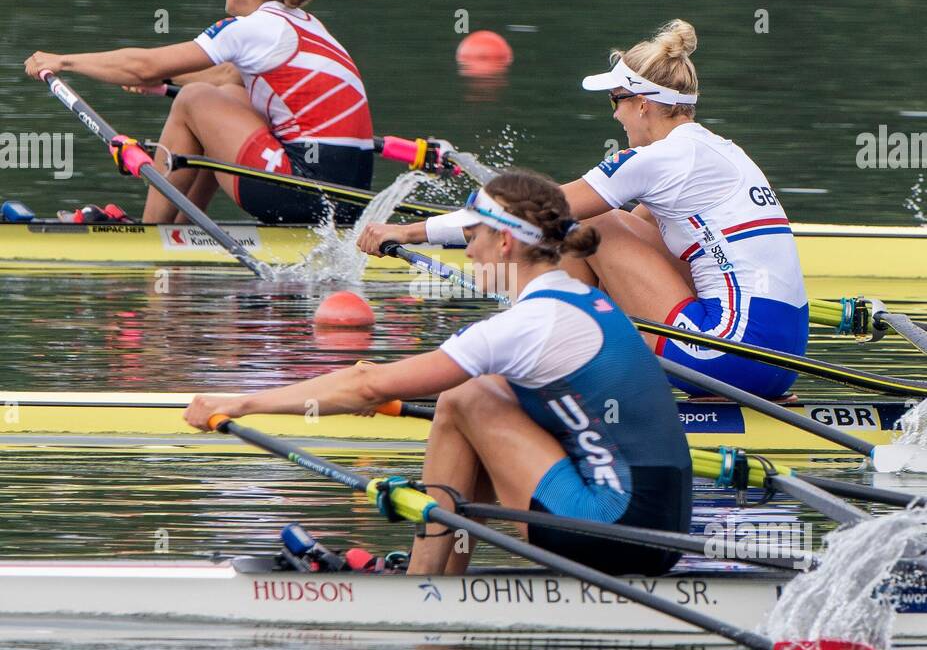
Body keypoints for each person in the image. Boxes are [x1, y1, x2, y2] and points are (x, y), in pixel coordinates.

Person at [184, 170, 693, 577]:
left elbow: (366, 385)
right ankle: (436, 574)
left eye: (473, 235)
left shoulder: (530, 323)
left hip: (616, 529)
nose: (468, 250)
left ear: (505, 245)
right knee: (477, 394)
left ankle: (426, 582)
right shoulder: (586, 301)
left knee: (467, 399)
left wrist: (242, 404)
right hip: (658, 529)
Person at [357, 20, 809, 399]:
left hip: (723, 354)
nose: (615, 116)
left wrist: (412, 232)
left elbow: (533, 210)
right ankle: (572, 363)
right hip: (779, 363)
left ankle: (552, 373)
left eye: (616, 102)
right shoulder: (724, 151)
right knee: (622, 224)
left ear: (643, 103)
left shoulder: (657, 159)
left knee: (590, 222)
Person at [24, 0, 373, 225]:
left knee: (195, 101)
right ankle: (184, 231)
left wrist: (63, 62)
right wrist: (163, 84)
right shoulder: (306, 26)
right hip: (347, 198)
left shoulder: (253, 28)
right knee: (225, 95)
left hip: (307, 192)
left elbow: (143, 65)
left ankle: (152, 232)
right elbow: (226, 75)